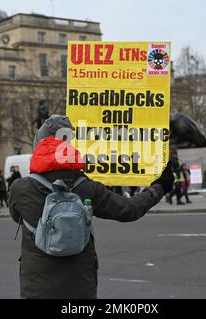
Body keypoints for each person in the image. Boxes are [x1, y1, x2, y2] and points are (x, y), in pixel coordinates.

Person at [9, 115, 173, 299]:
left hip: (36, 288)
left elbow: (16, 216)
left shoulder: (20, 189)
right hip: (80, 287)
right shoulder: (87, 187)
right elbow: (129, 210)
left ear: (39, 145)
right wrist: (160, 186)